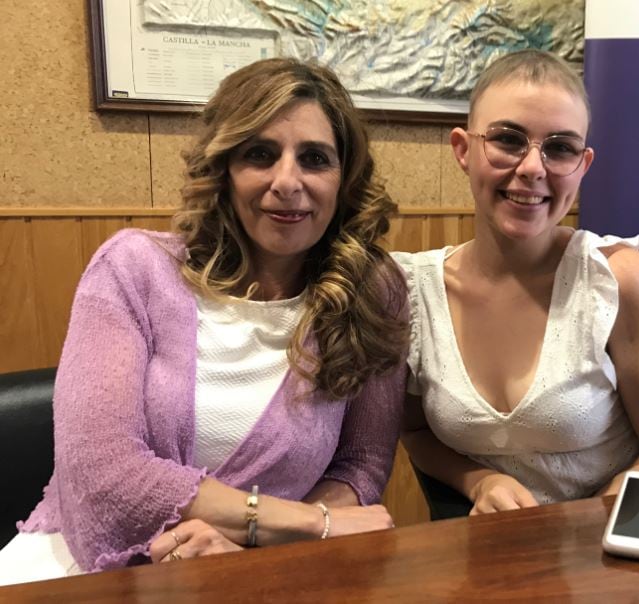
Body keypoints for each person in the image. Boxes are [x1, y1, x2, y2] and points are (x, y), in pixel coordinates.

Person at [0, 58, 408, 584]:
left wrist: (250, 548)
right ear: (224, 168)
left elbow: (361, 465)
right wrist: (300, 523)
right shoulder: (133, 269)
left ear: (344, 178)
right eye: (260, 154)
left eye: (314, 158)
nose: (288, 181)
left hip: (257, 576)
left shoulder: (373, 291)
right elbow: (103, 476)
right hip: (81, 566)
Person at [394, 49, 639, 515]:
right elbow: (416, 433)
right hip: (488, 556)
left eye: (560, 148)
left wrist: (574, 538)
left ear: (582, 166)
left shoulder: (616, 278)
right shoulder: (411, 292)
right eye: (508, 139)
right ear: (463, 150)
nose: (533, 168)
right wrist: (479, 482)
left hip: (608, 552)